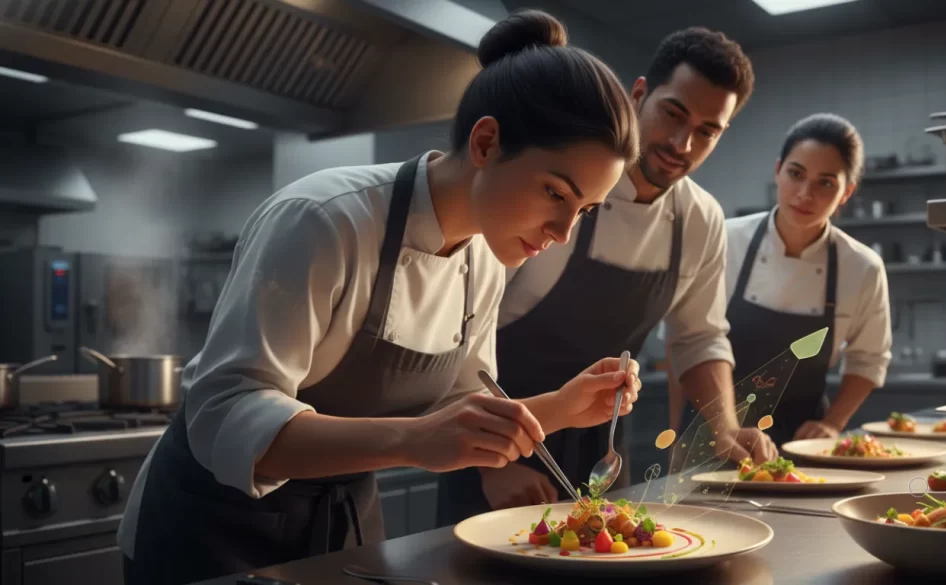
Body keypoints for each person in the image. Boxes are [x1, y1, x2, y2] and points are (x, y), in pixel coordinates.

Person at [117, 10, 644, 585]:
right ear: (487, 142)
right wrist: (413, 441)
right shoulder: (323, 220)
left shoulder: (487, 255)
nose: (563, 231)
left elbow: (465, 411)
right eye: (554, 193)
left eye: (583, 210)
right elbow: (224, 415)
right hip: (213, 531)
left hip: (340, 527)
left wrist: (565, 405)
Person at [437, 26, 774, 523]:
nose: (682, 142)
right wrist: (493, 463)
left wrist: (724, 427)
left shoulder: (700, 219)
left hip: (604, 453)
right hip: (490, 444)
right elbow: (463, 332)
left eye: (707, 131)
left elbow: (700, 338)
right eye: (673, 114)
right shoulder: (555, 191)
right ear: (639, 95)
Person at [680, 113, 892, 447]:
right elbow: (688, 340)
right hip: (711, 434)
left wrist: (834, 424)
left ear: (846, 192)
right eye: (796, 174)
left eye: (825, 182)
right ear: (778, 170)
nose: (805, 193)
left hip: (800, 442)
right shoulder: (723, 240)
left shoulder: (863, 268)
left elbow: (869, 358)